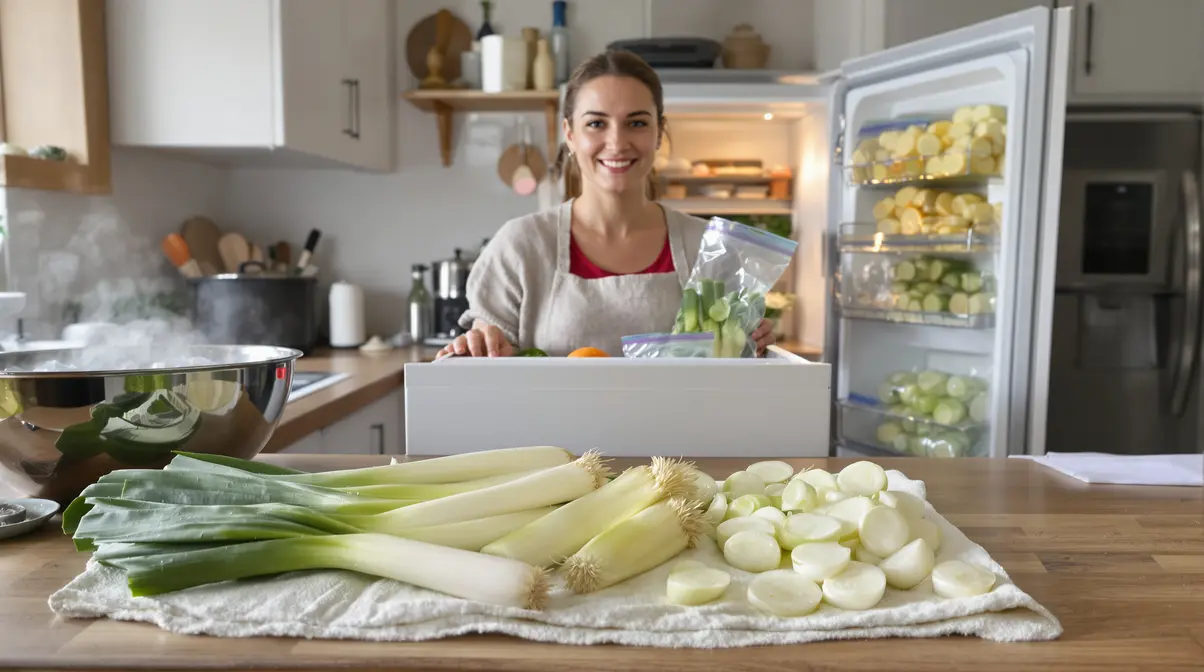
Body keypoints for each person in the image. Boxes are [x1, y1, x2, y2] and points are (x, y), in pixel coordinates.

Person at [439, 50, 777, 359]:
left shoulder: (709, 246)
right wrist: (473, 347)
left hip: (678, 428)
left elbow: (730, 377)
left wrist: (752, 346)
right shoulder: (521, 245)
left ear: (659, 132)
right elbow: (487, 364)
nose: (616, 142)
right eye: (596, 123)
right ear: (570, 134)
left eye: (637, 123)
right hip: (549, 428)